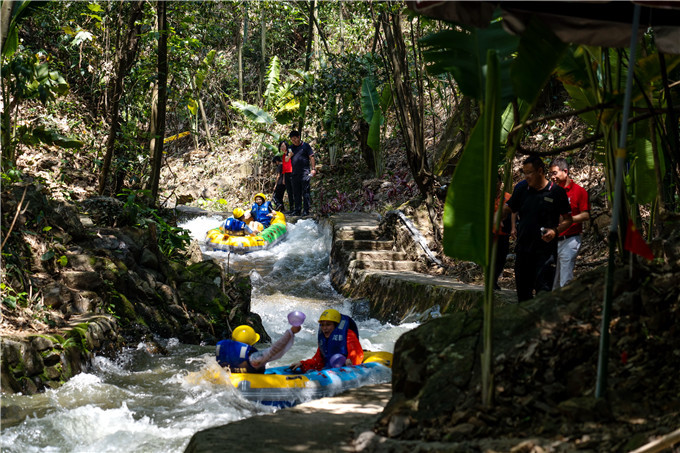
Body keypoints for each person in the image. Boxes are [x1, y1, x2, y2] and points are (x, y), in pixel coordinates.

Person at [502, 155, 573, 302]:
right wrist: (497, 217)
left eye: (529, 172)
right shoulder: (521, 188)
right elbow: (509, 208)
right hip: (523, 251)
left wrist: (555, 231)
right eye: (524, 173)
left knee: (544, 295)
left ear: (540, 171)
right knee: (523, 296)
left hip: (546, 253)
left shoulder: (556, 192)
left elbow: (568, 220)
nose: (526, 176)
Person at [548, 157, 590, 288]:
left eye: (554, 173)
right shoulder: (551, 190)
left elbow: (586, 214)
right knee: (553, 279)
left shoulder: (579, 191)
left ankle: (566, 305)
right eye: (550, 174)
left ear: (565, 171)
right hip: (553, 239)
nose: (552, 177)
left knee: (565, 278)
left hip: (570, 239)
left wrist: (569, 220)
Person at [289, 309, 364, 372]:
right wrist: (302, 364)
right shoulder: (324, 339)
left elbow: (357, 353)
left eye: (328, 325)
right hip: (330, 369)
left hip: (344, 369)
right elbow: (318, 361)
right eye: (322, 325)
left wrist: (350, 360)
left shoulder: (348, 335)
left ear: (336, 326)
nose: (324, 328)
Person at [216, 324, 301, 373]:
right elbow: (275, 349)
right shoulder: (253, 358)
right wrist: (291, 332)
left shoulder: (223, 350)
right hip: (249, 385)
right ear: (254, 342)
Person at [288, 130, 316, 216]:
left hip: (305, 172)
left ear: (299, 137)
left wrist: (313, 169)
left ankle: (306, 210)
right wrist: (289, 156)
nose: (294, 141)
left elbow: (311, 157)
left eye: (295, 139)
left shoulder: (306, 146)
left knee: (305, 192)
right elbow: (286, 159)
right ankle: (297, 210)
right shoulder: (291, 147)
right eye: (292, 139)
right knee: (296, 192)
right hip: (294, 173)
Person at [493, 174, 512, 290]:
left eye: (496, 181)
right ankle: (491, 280)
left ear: (500, 183)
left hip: (503, 233)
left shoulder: (508, 197)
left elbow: (514, 212)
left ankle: (494, 280)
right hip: (489, 233)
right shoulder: (485, 197)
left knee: (501, 258)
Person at [280, 141, 294, 212]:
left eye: (283, 146)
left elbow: (288, 160)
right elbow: (283, 168)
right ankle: (291, 209)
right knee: (289, 192)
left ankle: (296, 208)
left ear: (286, 146)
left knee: (294, 191)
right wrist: (283, 178)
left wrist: (289, 155)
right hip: (286, 174)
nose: (282, 148)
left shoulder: (290, 153)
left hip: (292, 173)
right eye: (281, 146)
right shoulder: (283, 156)